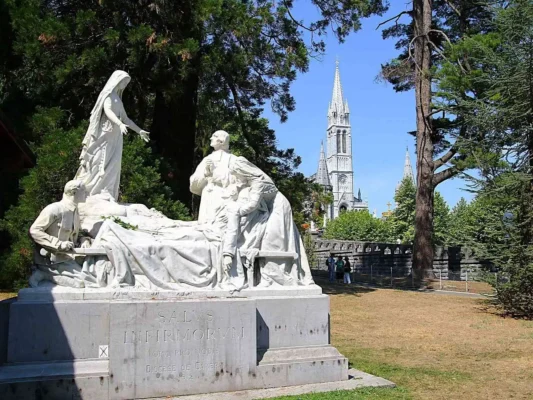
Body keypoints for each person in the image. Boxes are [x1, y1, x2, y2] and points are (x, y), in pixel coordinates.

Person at [75, 70, 150, 200]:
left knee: (114, 164)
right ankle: (90, 191)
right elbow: (108, 111)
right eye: (124, 81)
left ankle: (106, 191)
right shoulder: (108, 95)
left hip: (116, 136)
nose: (125, 85)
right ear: (117, 80)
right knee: (99, 160)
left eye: (127, 82)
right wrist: (119, 124)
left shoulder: (118, 99)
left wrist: (139, 131)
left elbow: (126, 119)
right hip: (105, 134)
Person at [29, 180, 93, 288]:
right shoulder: (54, 209)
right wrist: (58, 244)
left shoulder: (74, 211)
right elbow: (35, 230)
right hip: (52, 261)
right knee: (84, 283)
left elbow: (77, 232)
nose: (86, 194)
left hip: (67, 258)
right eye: (84, 191)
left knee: (91, 276)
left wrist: (83, 239)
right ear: (74, 192)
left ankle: (47, 275)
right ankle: (46, 274)